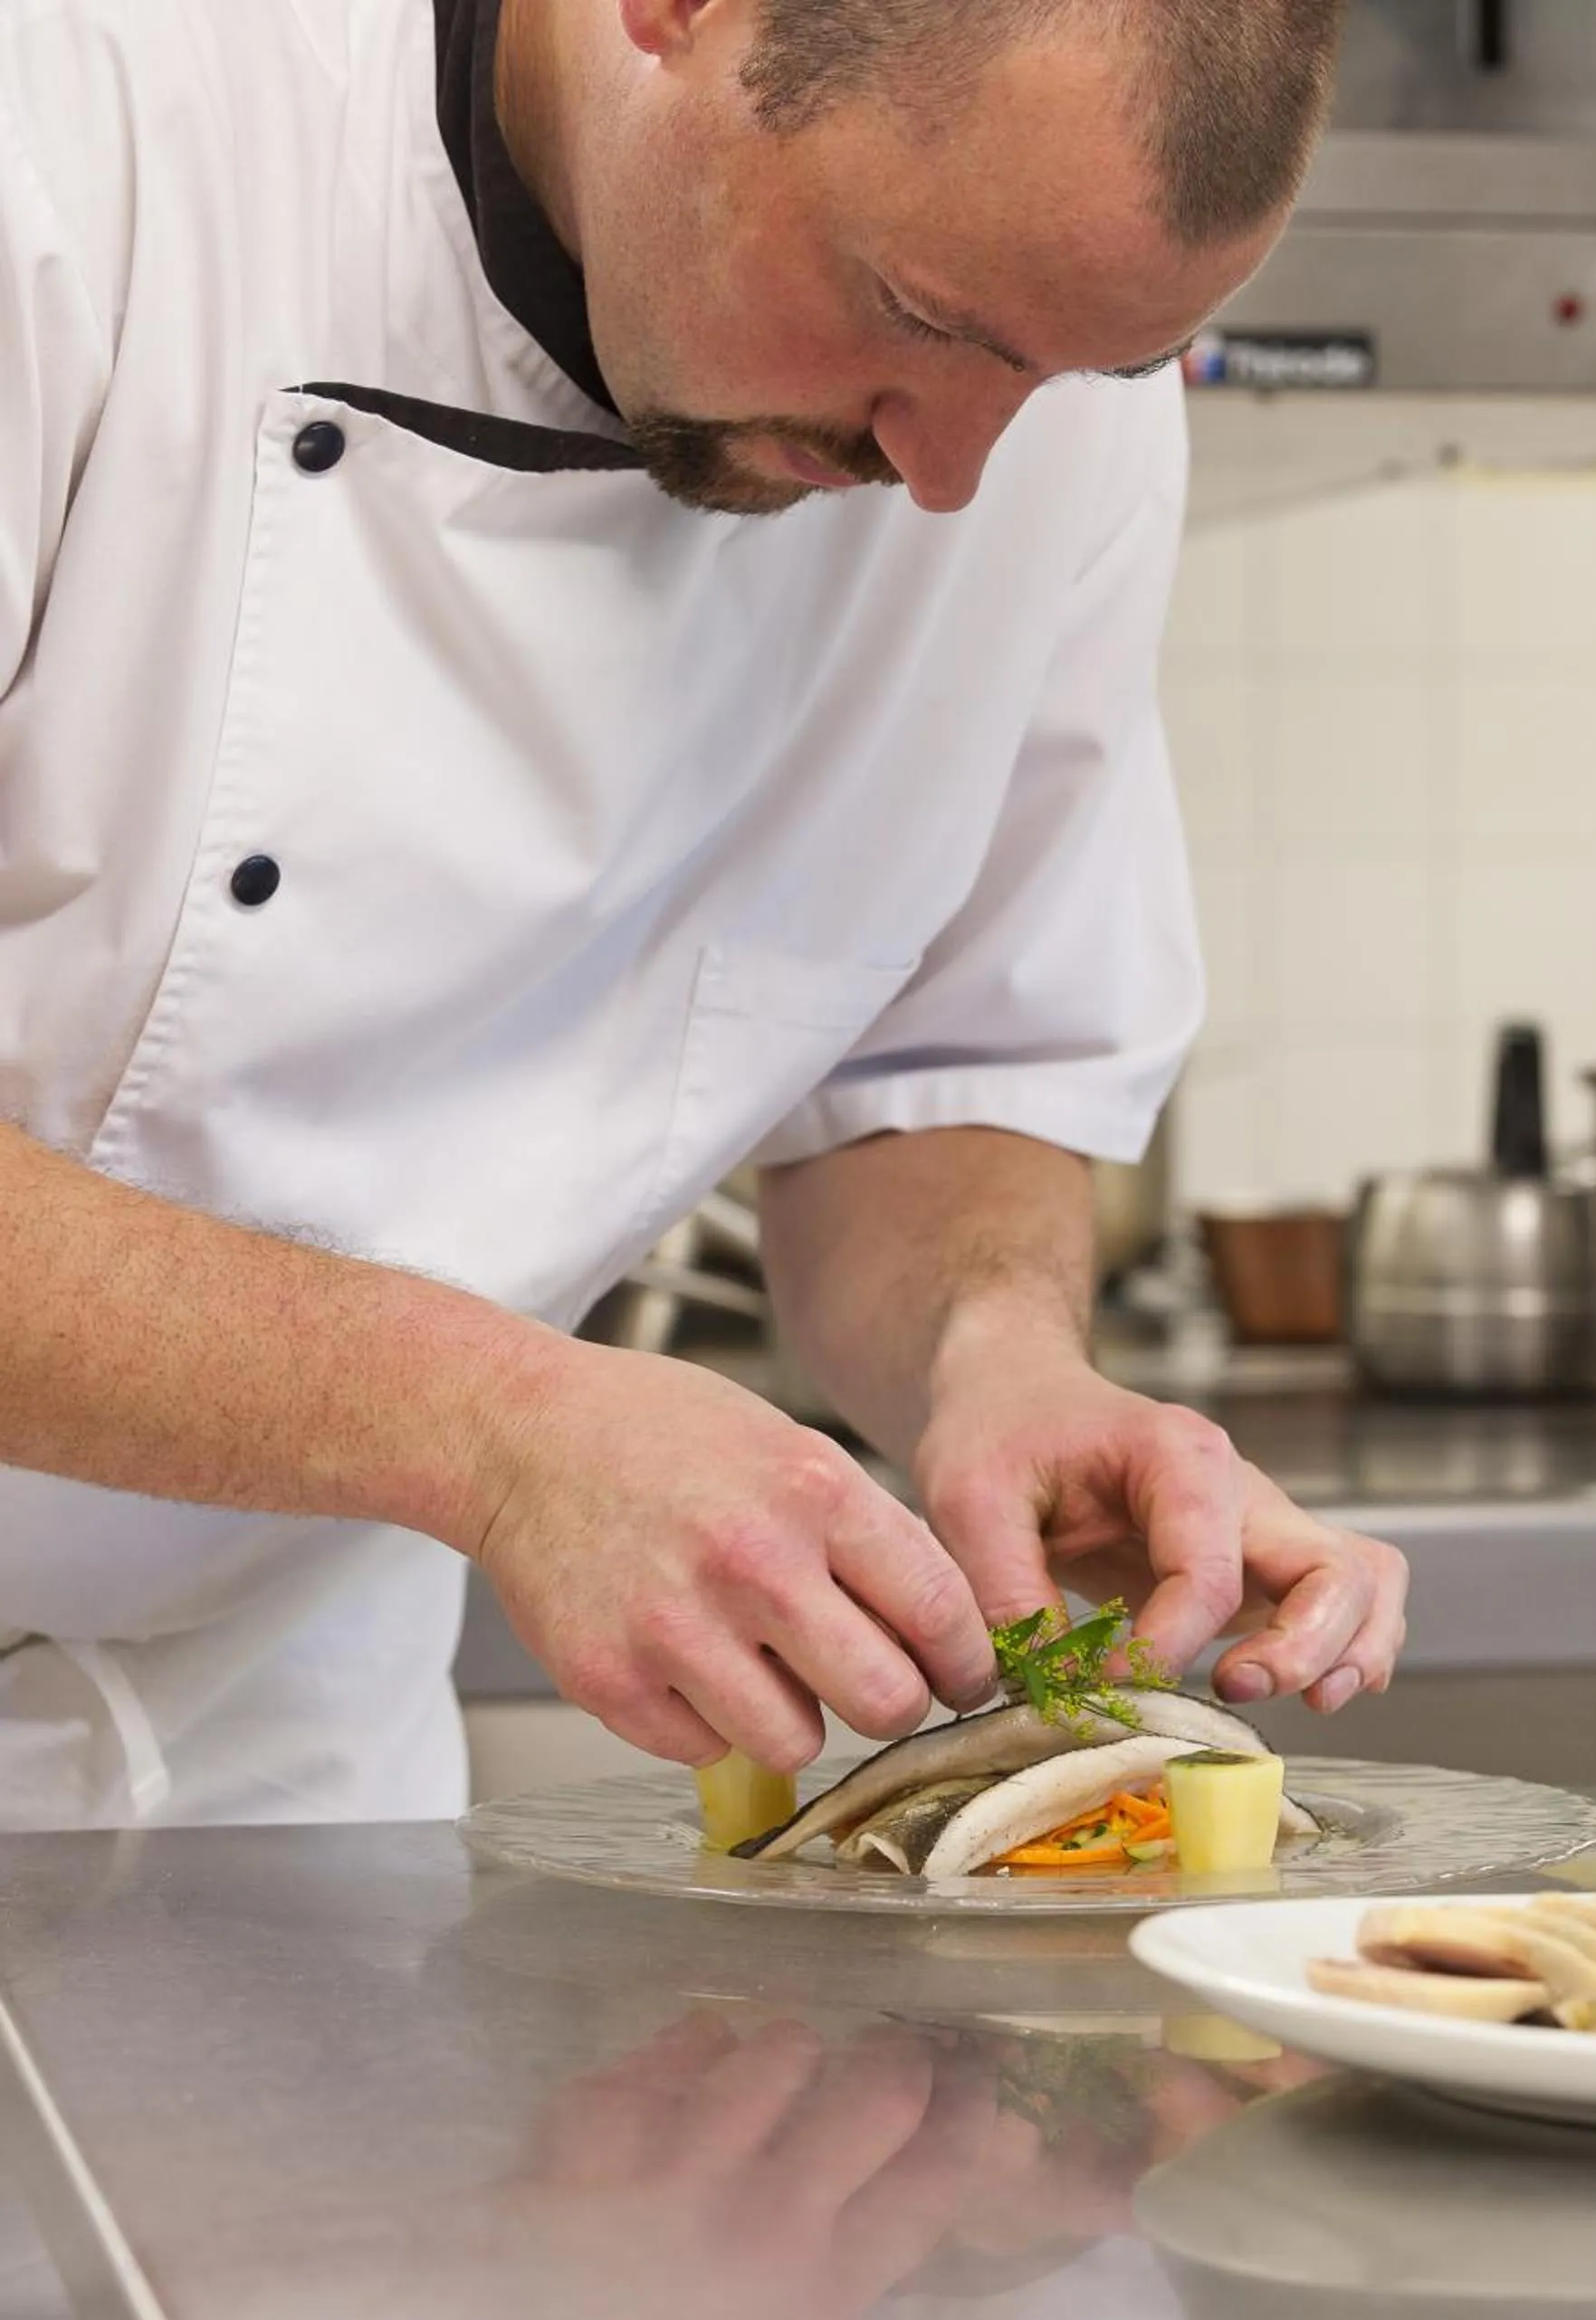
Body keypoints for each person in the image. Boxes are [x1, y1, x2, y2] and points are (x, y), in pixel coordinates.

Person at [0, 0, 1406, 1827]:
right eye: (917, 316)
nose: (950, 473)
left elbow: (934, 1070)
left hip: (271, 1751)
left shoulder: (1026, 421)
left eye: (1078, 378)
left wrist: (997, 1361)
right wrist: (495, 1430)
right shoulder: (81, 146)